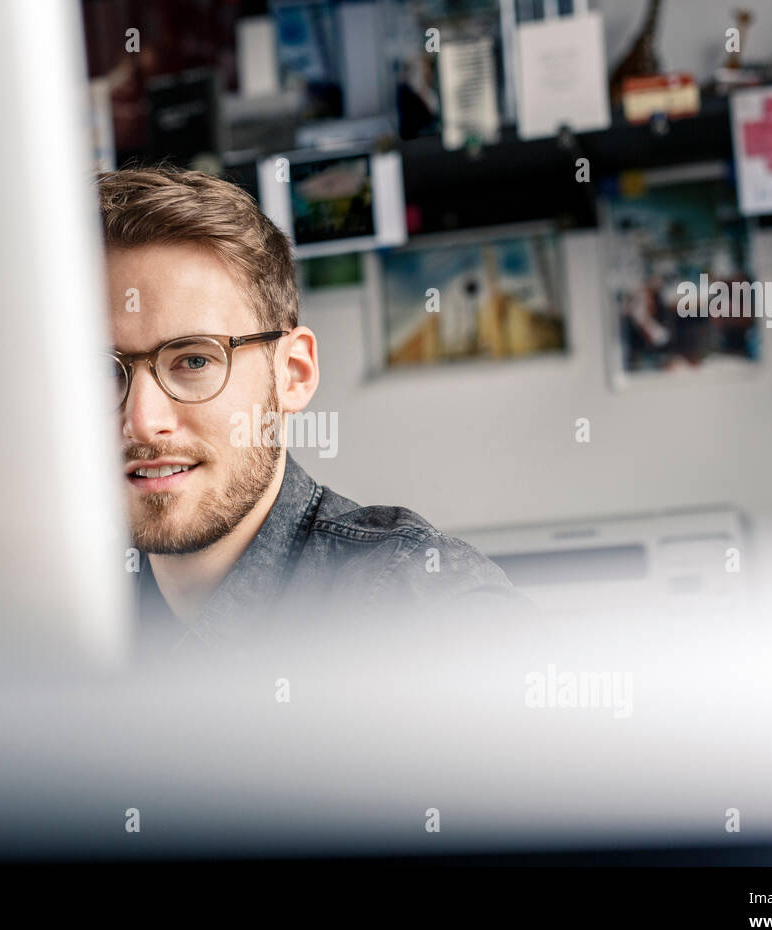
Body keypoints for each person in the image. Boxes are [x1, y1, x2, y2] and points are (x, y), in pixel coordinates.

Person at [96, 164, 540, 663]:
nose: (141, 419)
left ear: (293, 372)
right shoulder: (54, 617)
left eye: (195, 360)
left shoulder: (430, 611)